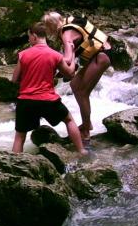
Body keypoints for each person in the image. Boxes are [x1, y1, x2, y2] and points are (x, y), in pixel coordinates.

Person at [11, 22, 88, 155]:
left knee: (20, 136)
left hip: (26, 101)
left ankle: (14, 164)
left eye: (29, 37)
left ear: (34, 36)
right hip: (48, 100)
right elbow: (70, 73)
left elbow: (14, 79)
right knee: (69, 120)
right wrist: (73, 54)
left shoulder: (23, 54)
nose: (29, 40)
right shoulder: (55, 55)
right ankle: (81, 151)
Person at [43, 12, 113, 144]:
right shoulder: (70, 25)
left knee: (81, 91)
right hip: (101, 55)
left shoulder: (66, 33)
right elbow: (74, 56)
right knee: (75, 85)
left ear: (51, 27)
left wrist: (51, 65)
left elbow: (68, 58)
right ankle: (87, 124)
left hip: (102, 56)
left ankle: (86, 129)